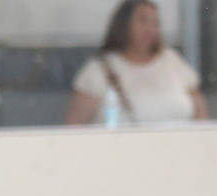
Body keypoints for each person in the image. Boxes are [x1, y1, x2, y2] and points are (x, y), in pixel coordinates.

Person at [65, 0, 206, 126]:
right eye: (143, 20)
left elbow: (201, 117)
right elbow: (75, 130)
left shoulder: (172, 61)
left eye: (155, 22)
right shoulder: (99, 71)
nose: (150, 28)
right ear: (123, 25)